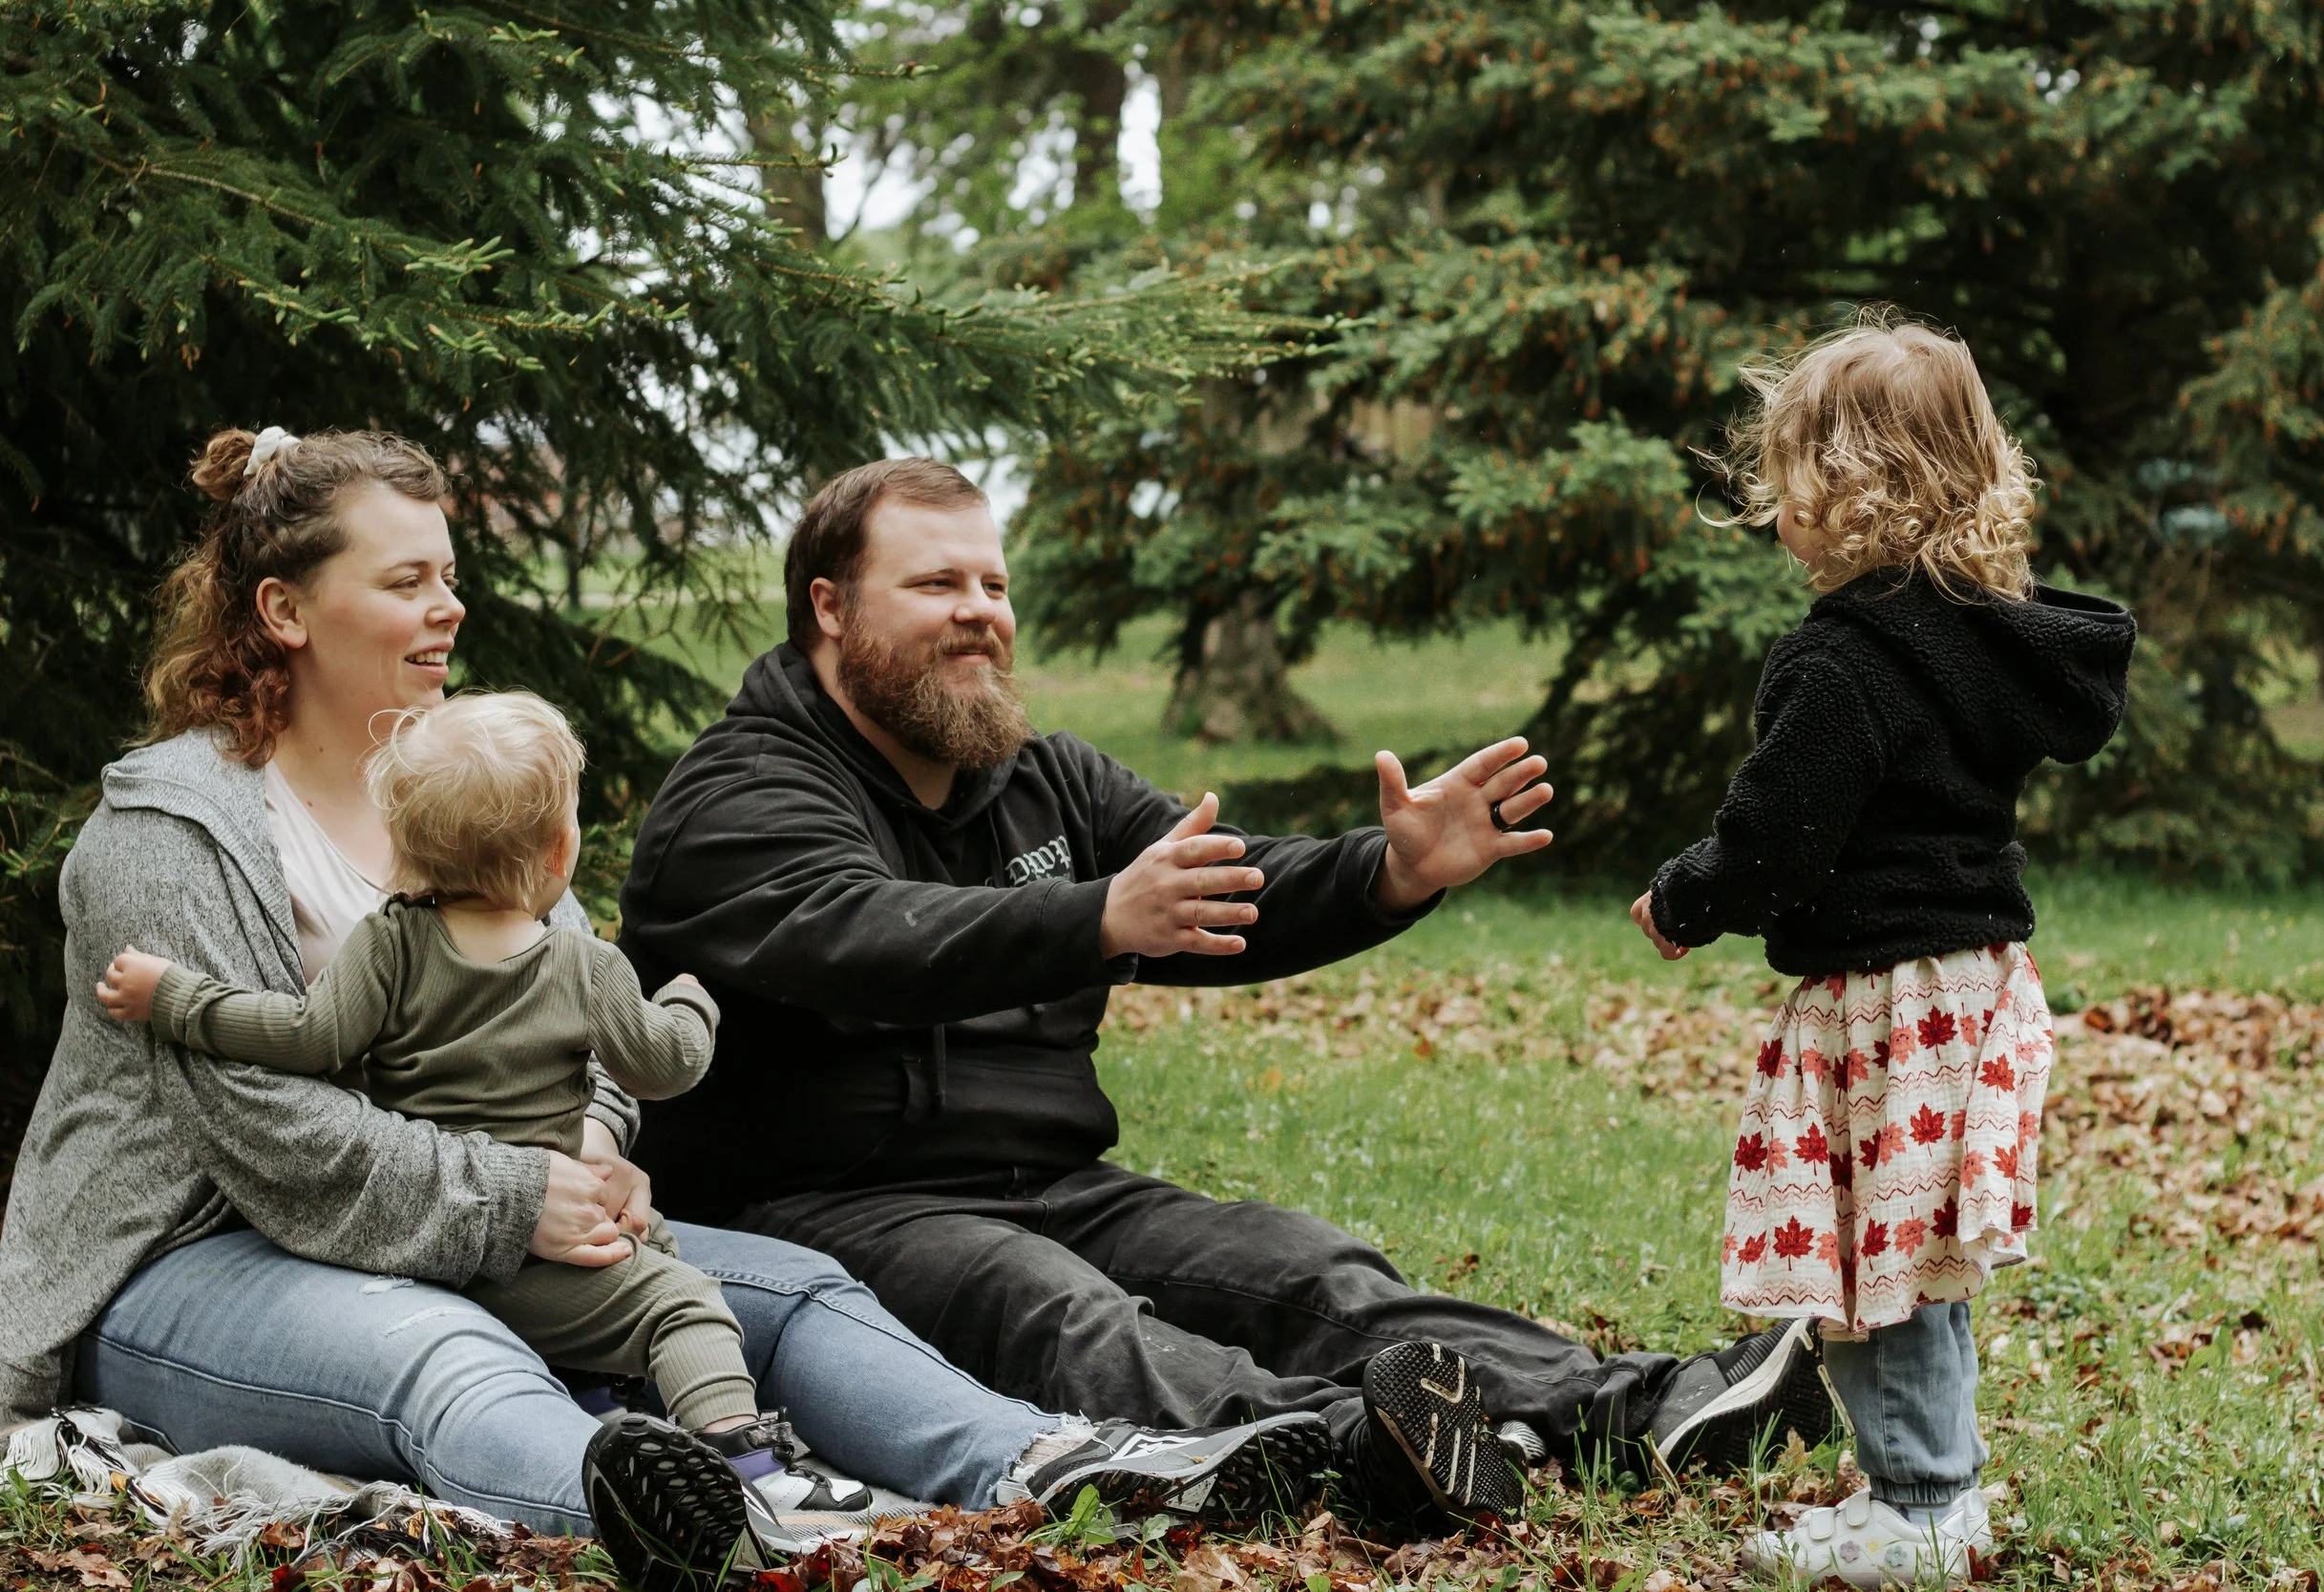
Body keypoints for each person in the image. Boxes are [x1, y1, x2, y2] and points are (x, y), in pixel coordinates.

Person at [0, 426, 1318, 1583]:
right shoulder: (170, 831)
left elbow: (590, 1009)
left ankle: (1059, 1462)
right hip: (196, 1253)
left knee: (793, 1288)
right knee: (446, 1347)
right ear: (285, 610)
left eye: (449, 573)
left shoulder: (467, 782)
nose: (449, 607)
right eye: (407, 581)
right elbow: (268, 1130)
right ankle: (721, 1521)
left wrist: (589, 1138)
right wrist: (523, 1195)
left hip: (468, 1215)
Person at [616, 456, 1840, 1534]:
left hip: (1053, 1181)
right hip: (828, 1207)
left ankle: (1639, 1408)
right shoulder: (743, 792)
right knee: (1058, 1312)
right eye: (937, 586)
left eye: (993, 586)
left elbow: (1217, 883)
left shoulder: (1042, 779)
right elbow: (864, 935)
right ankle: (1366, 1445)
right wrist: (1095, 915)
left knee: (1294, 1264)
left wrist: (1387, 870)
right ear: (828, 607)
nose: (981, 614)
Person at [92, 689, 878, 1523]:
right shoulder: (585, 966)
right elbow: (664, 1067)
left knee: (648, 1242)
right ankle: (748, 1465)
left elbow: (300, 1034)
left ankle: (597, 1402)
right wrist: (693, 1003)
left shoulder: (388, 942)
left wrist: (174, 995)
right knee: (680, 1299)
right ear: (558, 851)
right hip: (527, 1254)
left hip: (426, 1243)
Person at [1628, 316, 2133, 1586]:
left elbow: (1777, 839)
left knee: (1874, 1261)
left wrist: (1686, 898)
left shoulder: (1846, 662)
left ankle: (1917, 1504)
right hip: (1973, 987)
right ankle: (1941, 1478)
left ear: (1849, 486)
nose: (1770, 499)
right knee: (1927, 1250)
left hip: (1886, 1000)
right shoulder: (1984, 636)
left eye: (1789, 468)